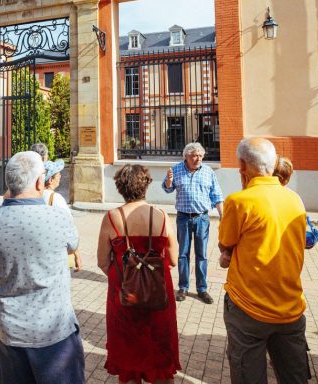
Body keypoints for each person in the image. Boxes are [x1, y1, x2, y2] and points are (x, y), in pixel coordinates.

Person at [0, 151, 84, 384]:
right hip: (54, 332)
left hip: (10, 330)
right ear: (41, 181)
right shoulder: (58, 217)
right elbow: (74, 244)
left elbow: (8, 202)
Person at [218, 137, 309, 384]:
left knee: (249, 375)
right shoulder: (294, 199)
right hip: (290, 304)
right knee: (295, 376)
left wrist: (227, 254)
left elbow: (226, 243)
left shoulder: (239, 201)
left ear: (242, 166)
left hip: (249, 305)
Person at [96, 164, 180, 384]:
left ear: (120, 187)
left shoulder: (112, 217)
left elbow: (102, 261)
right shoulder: (161, 216)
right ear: (146, 185)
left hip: (124, 296)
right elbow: (172, 259)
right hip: (157, 295)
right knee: (160, 361)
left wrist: (126, 275)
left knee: (129, 361)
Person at [162, 142, 223, 303]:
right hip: (183, 217)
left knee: (202, 255)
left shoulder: (208, 172)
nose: (198, 159)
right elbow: (167, 188)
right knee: (183, 254)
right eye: (195, 155)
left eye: (201, 156)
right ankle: (183, 287)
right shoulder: (176, 169)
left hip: (202, 218)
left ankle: (202, 289)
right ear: (186, 156)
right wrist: (169, 182)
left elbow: (217, 195)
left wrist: (222, 215)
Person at [43, 159, 82, 271]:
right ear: (50, 179)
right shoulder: (56, 198)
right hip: (55, 252)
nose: (60, 175)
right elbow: (69, 228)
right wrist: (76, 254)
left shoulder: (34, 196)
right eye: (58, 174)